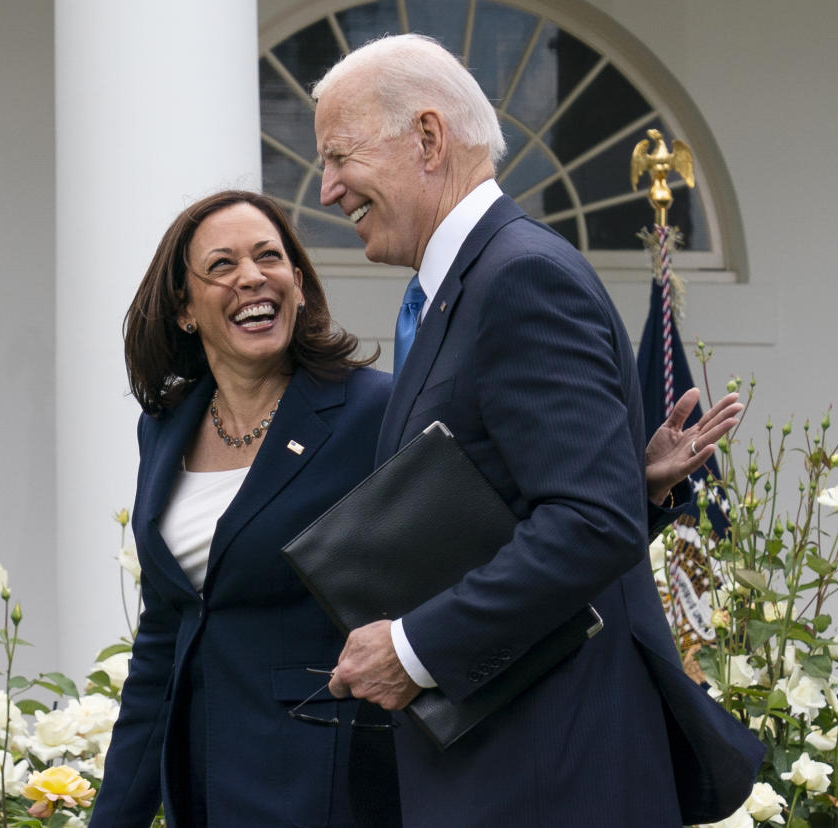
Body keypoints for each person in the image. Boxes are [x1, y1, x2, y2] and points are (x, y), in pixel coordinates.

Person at [313, 34, 764, 826]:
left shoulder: (521, 278)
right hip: (497, 770)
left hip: (544, 777)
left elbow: (590, 523)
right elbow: (557, 502)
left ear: (427, 138)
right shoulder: (458, 288)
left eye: (340, 156)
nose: (324, 189)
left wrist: (412, 649)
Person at [90, 190, 394, 827]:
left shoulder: (372, 411)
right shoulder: (165, 428)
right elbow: (163, 642)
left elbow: (479, 530)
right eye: (222, 265)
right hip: (203, 787)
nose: (252, 277)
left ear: (300, 285)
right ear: (184, 311)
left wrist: (641, 491)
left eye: (269, 257)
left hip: (329, 781)